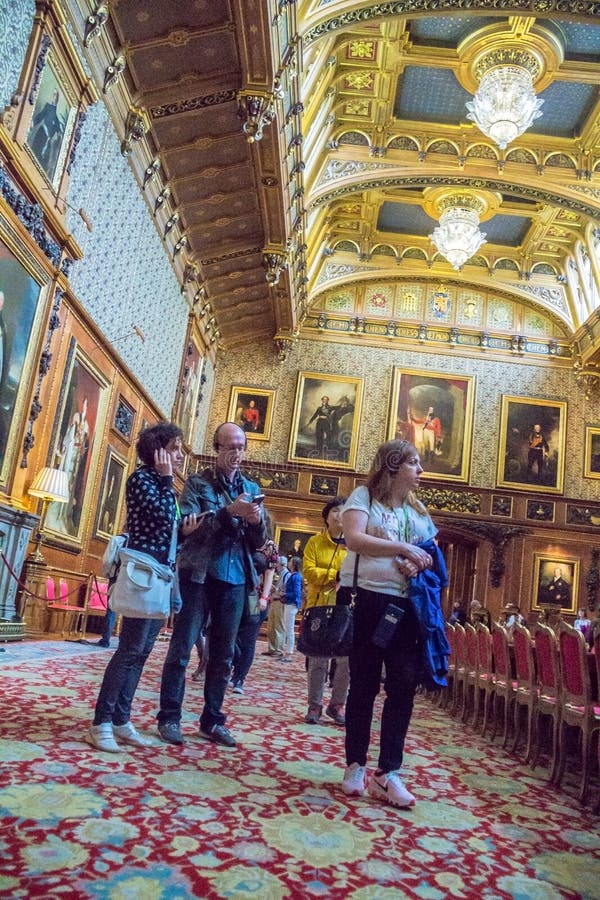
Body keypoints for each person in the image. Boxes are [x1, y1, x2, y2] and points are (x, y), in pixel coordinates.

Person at [340, 438, 447, 809]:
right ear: (393, 465)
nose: (420, 471)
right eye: (414, 463)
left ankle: (388, 773)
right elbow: (354, 539)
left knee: (402, 684)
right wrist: (404, 549)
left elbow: (431, 555)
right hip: (368, 599)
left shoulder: (418, 511)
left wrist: (419, 561)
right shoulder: (364, 497)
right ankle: (355, 764)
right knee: (364, 683)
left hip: (408, 608)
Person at [85, 422, 196, 753]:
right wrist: (165, 478)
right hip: (142, 575)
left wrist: (185, 532)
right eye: (175, 449)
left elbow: (167, 527)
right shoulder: (142, 479)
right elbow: (159, 515)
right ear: (158, 451)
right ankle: (100, 723)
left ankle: (121, 720)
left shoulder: (166, 486)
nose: (180, 455)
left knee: (143, 651)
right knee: (129, 650)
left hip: (160, 575)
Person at [156, 422, 268, 748]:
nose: (236, 453)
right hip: (199, 575)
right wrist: (226, 512)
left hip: (235, 579)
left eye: (241, 447)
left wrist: (256, 520)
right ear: (217, 448)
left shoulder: (251, 486)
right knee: (181, 650)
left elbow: (260, 542)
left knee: (223, 656)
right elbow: (188, 525)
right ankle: (170, 717)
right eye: (230, 447)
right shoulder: (196, 483)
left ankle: (212, 720)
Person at [302, 497, 349, 726]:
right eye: (335, 511)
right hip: (319, 605)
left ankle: (338, 704)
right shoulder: (315, 542)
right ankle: (315, 705)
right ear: (326, 517)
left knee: (345, 660)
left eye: (344, 511)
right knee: (318, 659)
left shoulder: (355, 545)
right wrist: (335, 576)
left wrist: (344, 578)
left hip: (347, 608)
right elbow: (309, 572)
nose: (340, 515)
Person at [230, 539, 279, 692]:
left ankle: (239, 678)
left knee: (248, 640)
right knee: (229, 636)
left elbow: (269, 572)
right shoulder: (239, 535)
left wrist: (264, 597)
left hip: (255, 598)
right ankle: (232, 665)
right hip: (232, 593)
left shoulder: (269, 546)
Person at [264, 556, 290, 656]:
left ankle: (278, 649)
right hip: (274, 601)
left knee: (279, 626)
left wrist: (276, 590)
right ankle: (272, 648)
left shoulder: (286, 575)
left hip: (280, 602)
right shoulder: (278, 574)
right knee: (271, 626)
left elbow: (286, 590)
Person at [281, 556, 302, 662]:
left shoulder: (296, 577)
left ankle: (289, 652)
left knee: (289, 629)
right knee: (287, 628)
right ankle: (286, 651)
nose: (288, 563)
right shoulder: (293, 575)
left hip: (292, 604)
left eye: (290, 561)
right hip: (289, 603)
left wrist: (284, 594)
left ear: (294, 564)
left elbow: (296, 593)